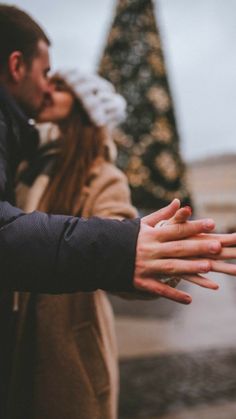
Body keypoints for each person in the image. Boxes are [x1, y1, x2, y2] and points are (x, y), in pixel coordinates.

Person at [11, 72, 137, 419]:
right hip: (15, 337)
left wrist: (140, 249)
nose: (48, 88)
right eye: (50, 80)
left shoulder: (102, 176)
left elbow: (118, 248)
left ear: (85, 107)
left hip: (68, 350)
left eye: (62, 86)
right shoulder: (28, 162)